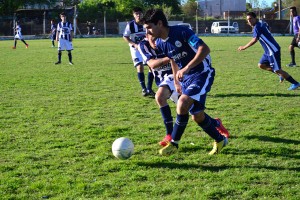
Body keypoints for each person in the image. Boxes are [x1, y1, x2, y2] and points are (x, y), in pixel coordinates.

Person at [142, 9, 230, 156]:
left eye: (149, 27)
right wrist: (176, 81)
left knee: (182, 104)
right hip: (186, 78)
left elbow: (204, 49)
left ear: (159, 23)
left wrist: (188, 67)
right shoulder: (160, 43)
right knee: (197, 116)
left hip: (202, 72)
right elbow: (173, 60)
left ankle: (174, 144)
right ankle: (220, 140)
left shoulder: (182, 32)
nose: (148, 32)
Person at [238, 12, 300, 90]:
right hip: (268, 51)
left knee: (277, 70)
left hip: (272, 50)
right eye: (247, 19)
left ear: (255, 18)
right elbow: (268, 27)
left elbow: (254, 40)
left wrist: (244, 47)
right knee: (261, 65)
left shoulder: (257, 27)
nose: (249, 21)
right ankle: (280, 75)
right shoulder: (260, 24)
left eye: (250, 19)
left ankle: (295, 83)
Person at [138, 33, 181, 147]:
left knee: (160, 97)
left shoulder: (166, 42)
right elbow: (152, 64)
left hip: (176, 77)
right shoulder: (143, 45)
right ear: (147, 36)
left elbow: (174, 61)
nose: (156, 42)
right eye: (153, 39)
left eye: (158, 38)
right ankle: (215, 123)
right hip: (163, 81)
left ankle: (169, 134)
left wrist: (176, 81)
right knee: (195, 113)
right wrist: (170, 57)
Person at [123, 7, 155, 97]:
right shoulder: (130, 25)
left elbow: (151, 33)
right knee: (140, 66)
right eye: (136, 13)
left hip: (146, 48)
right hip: (135, 48)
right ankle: (144, 89)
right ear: (133, 15)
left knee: (151, 66)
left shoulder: (146, 23)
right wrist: (133, 44)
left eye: (140, 13)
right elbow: (125, 36)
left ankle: (149, 88)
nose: (138, 15)